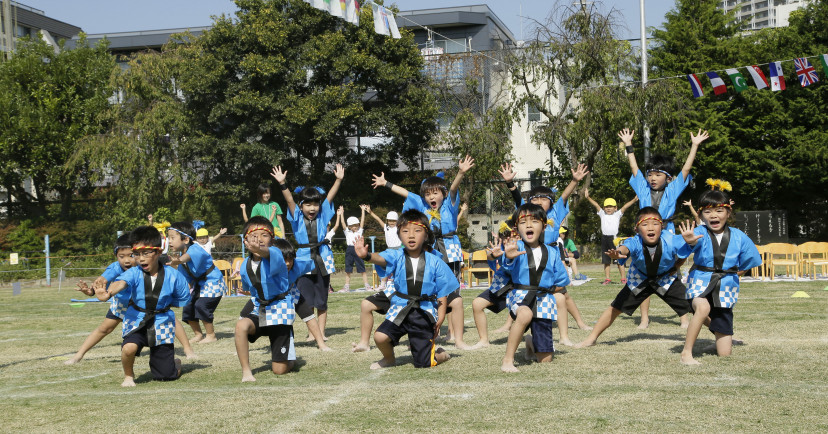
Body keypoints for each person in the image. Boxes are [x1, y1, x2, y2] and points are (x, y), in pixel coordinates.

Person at [371, 156, 475, 349]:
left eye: (435, 193)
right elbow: (407, 194)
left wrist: (460, 173)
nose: (431, 197)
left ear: (442, 194)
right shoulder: (422, 206)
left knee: (453, 292)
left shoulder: (450, 205)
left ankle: (453, 333)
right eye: (428, 194)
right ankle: (426, 329)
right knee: (432, 291)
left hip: (450, 248)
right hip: (432, 250)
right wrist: (386, 183)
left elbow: (453, 189)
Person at [618, 128, 707, 328]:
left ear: (668, 178)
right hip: (644, 234)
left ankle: (684, 317)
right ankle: (644, 318)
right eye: (650, 174)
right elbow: (635, 170)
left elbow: (685, 170)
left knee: (671, 273)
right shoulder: (642, 189)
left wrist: (694, 146)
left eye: (658, 174)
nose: (652, 178)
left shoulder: (673, 189)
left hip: (666, 234)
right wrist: (629, 145)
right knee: (643, 274)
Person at [575, 207, 693, 348]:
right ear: (637, 229)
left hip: (665, 278)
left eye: (655, 224)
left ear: (662, 226)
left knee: (697, 307)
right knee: (615, 308)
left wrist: (683, 255)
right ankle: (591, 339)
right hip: (639, 279)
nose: (650, 228)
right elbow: (625, 248)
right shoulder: (634, 241)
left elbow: (689, 247)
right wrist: (618, 253)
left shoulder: (671, 239)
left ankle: (721, 336)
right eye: (645, 224)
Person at [353, 209, 456, 369]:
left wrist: (440, 318)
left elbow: (442, 293)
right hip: (400, 307)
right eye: (405, 231)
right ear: (399, 235)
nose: (411, 235)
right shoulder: (396, 255)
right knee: (380, 337)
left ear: (426, 235)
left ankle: (440, 353)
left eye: (417, 231)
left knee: (423, 363)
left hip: (424, 311)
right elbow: (381, 258)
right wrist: (366, 256)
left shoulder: (436, 262)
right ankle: (388, 358)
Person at [498, 162, 592, 333]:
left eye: (544, 199)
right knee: (522, 289)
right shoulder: (527, 213)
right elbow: (518, 199)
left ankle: (579, 322)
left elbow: (564, 196)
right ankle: (508, 324)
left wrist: (574, 181)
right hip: (528, 254)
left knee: (562, 292)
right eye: (534, 199)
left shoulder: (555, 213)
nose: (539, 202)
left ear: (551, 202)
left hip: (550, 255)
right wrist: (510, 184)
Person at [93, 225, 191, 387]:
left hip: (162, 322)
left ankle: (175, 363)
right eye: (136, 254)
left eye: (146, 253)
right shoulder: (134, 272)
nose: (141, 259)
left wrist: (164, 306)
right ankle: (128, 376)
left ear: (159, 252)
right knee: (128, 348)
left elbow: (182, 299)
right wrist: (108, 294)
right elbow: (121, 282)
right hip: (136, 319)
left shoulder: (174, 275)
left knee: (165, 376)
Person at [679, 180, 762, 365]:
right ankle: (686, 353)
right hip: (700, 283)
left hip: (725, 287)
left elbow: (750, 261)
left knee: (725, 353)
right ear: (701, 214)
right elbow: (680, 250)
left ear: (728, 212)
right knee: (703, 308)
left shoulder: (740, 237)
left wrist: (732, 275)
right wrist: (690, 242)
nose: (713, 215)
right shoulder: (698, 232)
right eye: (707, 211)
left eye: (719, 211)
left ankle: (718, 341)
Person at [271, 164, 344, 344]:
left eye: (315, 204)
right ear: (302, 205)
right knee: (306, 298)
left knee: (322, 299)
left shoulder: (323, 215)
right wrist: (282, 184)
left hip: (323, 258)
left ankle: (322, 332)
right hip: (303, 260)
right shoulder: (295, 217)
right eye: (308, 204)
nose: (312, 208)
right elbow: (289, 201)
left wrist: (338, 180)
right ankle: (312, 333)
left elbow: (330, 196)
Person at [234, 217, 311, 381]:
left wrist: (261, 250)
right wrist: (248, 293)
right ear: (245, 240)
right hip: (260, 309)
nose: (259, 239)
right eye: (254, 235)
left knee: (279, 370)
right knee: (241, 325)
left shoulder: (275, 254)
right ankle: (246, 371)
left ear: (272, 240)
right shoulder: (244, 265)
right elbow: (251, 288)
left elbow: (266, 253)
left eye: (264, 235)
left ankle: (289, 358)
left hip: (279, 311)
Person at [500, 203, 570, 373]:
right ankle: (508, 360)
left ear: (544, 226)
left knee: (545, 360)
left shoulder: (552, 252)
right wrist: (507, 257)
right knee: (525, 314)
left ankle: (531, 342)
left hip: (544, 299)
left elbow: (562, 281)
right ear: (516, 228)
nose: (529, 225)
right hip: (521, 295)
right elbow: (507, 267)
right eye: (523, 222)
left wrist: (551, 292)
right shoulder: (515, 248)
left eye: (534, 221)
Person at [65, 233, 135, 365]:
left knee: (164, 319)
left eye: (131, 255)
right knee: (104, 329)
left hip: (140, 305)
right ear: (116, 256)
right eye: (122, 256)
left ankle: (187, 349)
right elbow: (102, 280)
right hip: (120, 304)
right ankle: (78, 356)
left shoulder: (142, 266)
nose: (127, 260)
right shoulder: (114, 267)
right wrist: (90, 291)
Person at [167, 221, 226, 344]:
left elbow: (187, 257)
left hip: (213, 281)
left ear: (186, 240)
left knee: (201, 305)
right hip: (200, 284)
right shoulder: (181, 259)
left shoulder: (195, 249)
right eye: (168, 238)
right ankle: (198, 334)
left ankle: (211, 335)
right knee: (188, 305)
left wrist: (177, 261)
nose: (169, 241)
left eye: (172, 237)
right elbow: (186, 282)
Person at [468, 219, 516, 350]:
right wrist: (493, 256)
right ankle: (484, 340)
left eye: (510, 237)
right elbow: (491, 257)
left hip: (522, 286)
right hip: (503, 284)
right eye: (504, 237)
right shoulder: (499, 248)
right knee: (477, 303)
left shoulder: (525, 249)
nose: (506, 240)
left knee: (526, 315)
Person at [584, 187, 637, 284]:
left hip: (614, 239)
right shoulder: (602, 214)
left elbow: (625, 207)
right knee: (606, 260)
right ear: (604, 208)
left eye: (611, 206)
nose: (608, 208)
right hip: (604, 238)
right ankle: (607, 278)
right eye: (606, 206)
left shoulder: (617, 215)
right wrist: (588, 197)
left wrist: (634, 200)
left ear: (615, 208)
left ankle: (623, 278)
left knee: (619, 259)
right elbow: (596, 205)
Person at [367, 207, 401, 290]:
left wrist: (404, 208)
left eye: (394, 221)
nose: (392, 222)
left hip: (398, 250)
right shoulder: (386, 227)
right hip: (389, 250)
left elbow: (405, 219)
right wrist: (371, 212)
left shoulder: (399, 228)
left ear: (397, 221)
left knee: (393, 266)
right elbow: (378, 219)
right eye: (390, 220)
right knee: (378, 262)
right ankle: (383, 283)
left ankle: (386, 284)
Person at [342, 205, 372, 292]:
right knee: (348, 269)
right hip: (349, 250)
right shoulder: (347, 232)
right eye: (353, 226)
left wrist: (362, 210)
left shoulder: (360, 231)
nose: (355, 227)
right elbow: (343, 224)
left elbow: (362, 221)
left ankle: (367, 286)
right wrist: (341, 215)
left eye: (356, 225)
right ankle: (346, 286)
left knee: (362, 268)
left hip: (358, 249)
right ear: (349, 226)